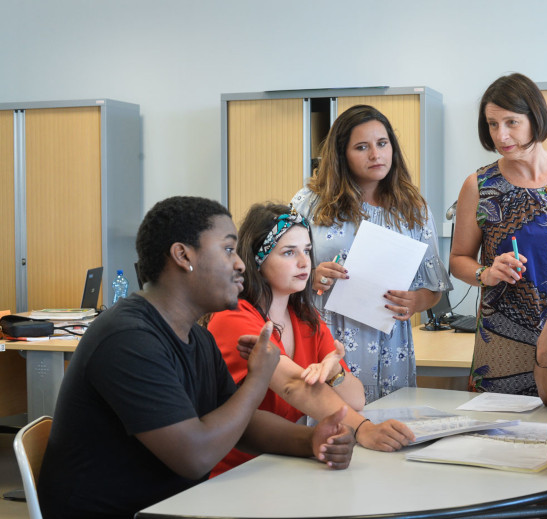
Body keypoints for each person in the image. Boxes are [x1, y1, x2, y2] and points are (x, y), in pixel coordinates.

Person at [37, 196, 356, 519]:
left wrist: (312, 440)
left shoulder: (197, 337)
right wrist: (259, 378)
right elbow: (195, 456)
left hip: (178, 507)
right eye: (228, 250)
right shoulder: (127, 339)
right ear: (183, 256)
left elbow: (241, 424)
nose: (241, 264)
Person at [208, 202, 415, 476]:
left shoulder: (305, 317)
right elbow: (294, 385)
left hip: (284, 463)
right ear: (257, 260)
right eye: (288, 252)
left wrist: (334, 373)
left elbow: (356, 399)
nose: (304, 263)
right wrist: (364, 430)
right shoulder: (234, 318)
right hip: (236, 470)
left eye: (306, 250)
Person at [291, 104, 452, 403]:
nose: (376, 155)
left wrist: (416, 301)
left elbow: (434, 287)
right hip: (327, 337)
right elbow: (276, 270)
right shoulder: (309, 202)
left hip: (390, 343)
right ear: (342, 154)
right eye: (362, 147)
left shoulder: (413, 208)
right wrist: (311, 275)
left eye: (382, 144)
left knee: (387, 430)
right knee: (330, 429)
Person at [450, 73, 547, 399]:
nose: (501, 135)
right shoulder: (479, 186)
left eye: (511, 122)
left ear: (535, 119)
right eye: (492, 124)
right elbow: (458, 259)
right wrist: (486, 273)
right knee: (497, 436)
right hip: (501, 339)